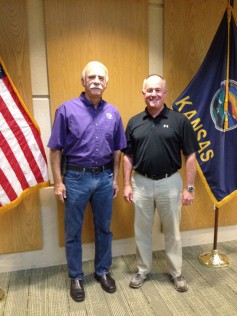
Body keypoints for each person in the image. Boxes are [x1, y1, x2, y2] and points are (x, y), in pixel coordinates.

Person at [47, 61, 127, 302]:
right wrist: (58, 183)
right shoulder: (66, 109)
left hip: (104, 178)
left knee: (104, 228)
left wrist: (114, 178)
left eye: (101, 78)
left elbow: (117, 151)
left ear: (106, 82)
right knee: (73, 231)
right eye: (91, 77)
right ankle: (76, 276)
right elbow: (55, 150)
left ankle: (102, 271)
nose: (96, 81)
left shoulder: (114, 112)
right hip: (75, 178)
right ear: (83, 81)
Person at [122, 74, 199, 292]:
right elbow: (127, 156)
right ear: (143, 93)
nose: (153, 94)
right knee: (141, 230)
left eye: (158, 90)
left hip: (170, 183)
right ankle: (143, 270)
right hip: (141, 183)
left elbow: (190, 155)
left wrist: (189, 188)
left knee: (173, 231)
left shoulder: (179, 120)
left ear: (165, 93)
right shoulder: (134, 122)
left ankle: (176, 272)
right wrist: (126, 184)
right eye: (149, 90)